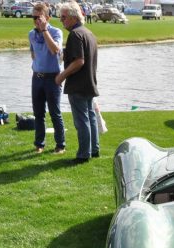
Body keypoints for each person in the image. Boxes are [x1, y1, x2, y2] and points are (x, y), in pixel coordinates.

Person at [56, 2, 99, 164]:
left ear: (73, 17)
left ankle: (83, 154)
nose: (61, 20)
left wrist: (62, 76)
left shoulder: (75, 34)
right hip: (90, 82)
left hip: (78, 84)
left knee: (82, 120)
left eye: (64, 17)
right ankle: (94, 150)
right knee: (90, 117)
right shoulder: (88, 32)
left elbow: (79, 61)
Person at [30, 2, 65, 154]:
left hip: (52, 78)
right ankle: (39, 144)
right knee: (38, 113)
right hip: (37, 78)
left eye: (39, 17)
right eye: (33, 17)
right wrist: (38, 65)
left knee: (54, 113)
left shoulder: (56, 32)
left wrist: (44, 30)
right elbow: (33, 53)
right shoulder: (31, 34)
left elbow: (55, 50)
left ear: (47, 18)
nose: (36, 20)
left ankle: (60, 145)